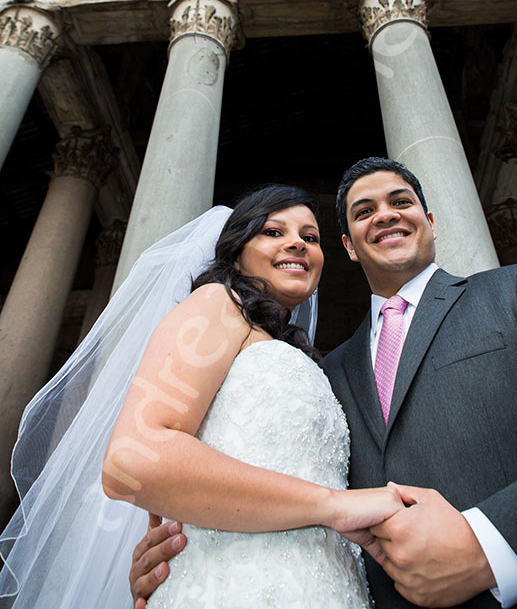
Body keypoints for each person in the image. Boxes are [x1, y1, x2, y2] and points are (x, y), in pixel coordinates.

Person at [134, 158, 517, 609]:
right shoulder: (326, 372)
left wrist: (495, 545)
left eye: (401, 201)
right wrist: (186, 549)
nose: (385, 214)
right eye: (364, 211)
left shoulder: (513, 291)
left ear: (430, 222)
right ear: (349, 246)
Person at [0, 183, 403, 609]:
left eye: (310, 237)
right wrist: (332, 505)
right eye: (272, 231)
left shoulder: (298, 356)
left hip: (329, 586)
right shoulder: (218, 304)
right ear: (236, 250)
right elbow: (132, 461)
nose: (296, 244)